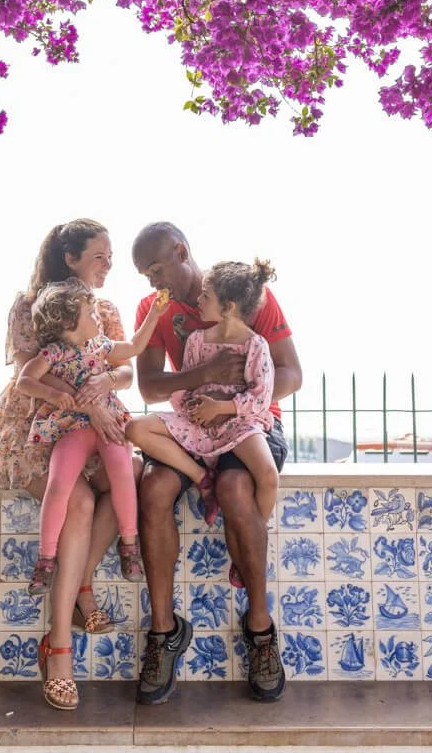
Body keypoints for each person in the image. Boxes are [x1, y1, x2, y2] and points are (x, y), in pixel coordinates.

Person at [131, 222, 302, 705]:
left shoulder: (243, 294)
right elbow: (150, 388)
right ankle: (164, 633)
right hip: (192, 423)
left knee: (235, 490)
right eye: (144, 274)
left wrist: (237, 399)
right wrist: (203, 375)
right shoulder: (153, 309)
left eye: (156, 269)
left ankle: (260, 629)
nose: (151, 282)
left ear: (181, 252)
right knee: (155, 489)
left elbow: (291, 373)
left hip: (247, 423)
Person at [0, 219, 138, 710]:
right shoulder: (30, 307)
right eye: (99, 254)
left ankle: (78, 583)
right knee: (80, 503)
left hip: (92, 427)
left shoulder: (106, 309)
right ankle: (59, 650)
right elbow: (32, 375)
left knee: (131, 475)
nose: (108, 263)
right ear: (69, 258)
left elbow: (126, 367)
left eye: (109, 255)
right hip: (40, 428)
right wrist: (83, 401)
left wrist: (106, 387)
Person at [16, 278, 168, 593]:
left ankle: (129, 543)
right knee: (59, 485)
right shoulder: (54, 352)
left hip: (108, 420)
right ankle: (46, 559)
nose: (97, 317)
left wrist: (154, 313)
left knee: (122, 472)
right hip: (72, 426)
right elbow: (24, 380)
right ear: (70, 322)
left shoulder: (101, 345)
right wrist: (52, 394)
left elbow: (136, 347)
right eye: (90, 312)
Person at [127, 259, 279, 527]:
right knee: (135, 428)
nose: (198, 300)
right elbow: (183, 388)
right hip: (197, 423)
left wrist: (220, 408)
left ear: (228, 307)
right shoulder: (197, 340)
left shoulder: (255, 345)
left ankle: (258, 532)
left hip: (238, 425)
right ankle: (200, 476)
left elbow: (260, 398)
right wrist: (196, 408)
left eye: (205, 296)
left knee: (268, 475)